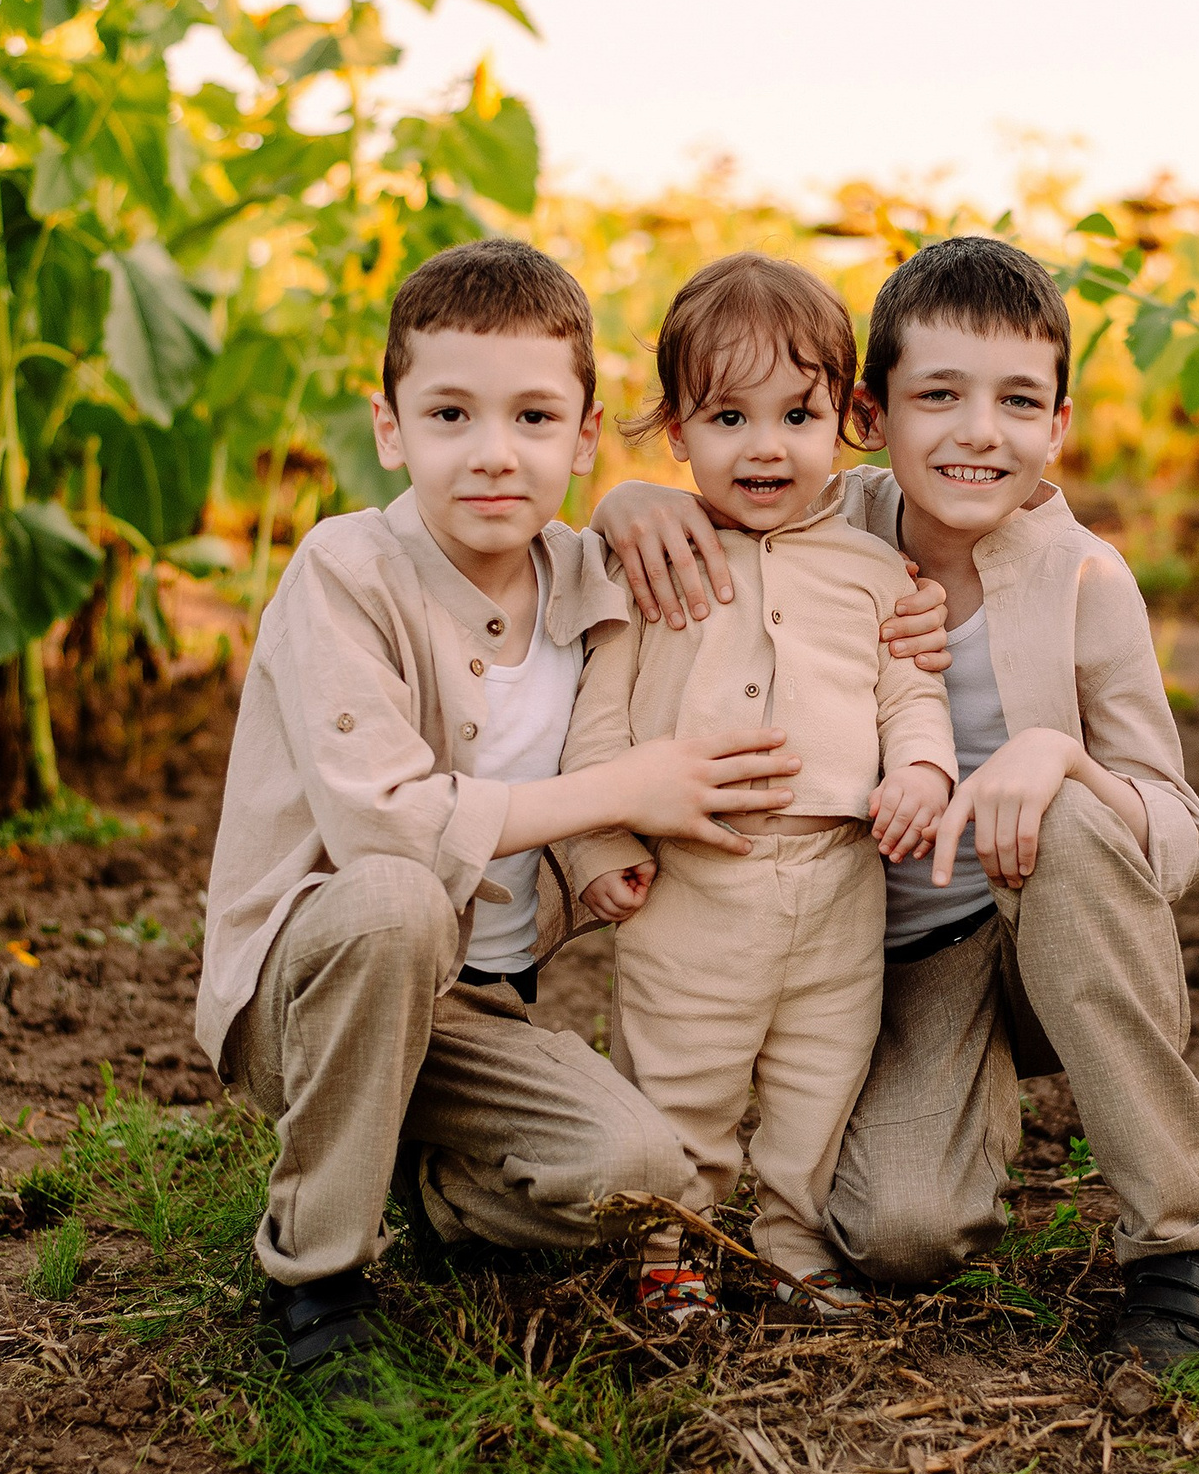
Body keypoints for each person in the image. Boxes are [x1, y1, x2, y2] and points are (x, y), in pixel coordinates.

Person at [193, 239, 950, 1381]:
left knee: (641, 1173)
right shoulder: (341, 571)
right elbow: (389, 825)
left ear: (585, 433)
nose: (494, 454)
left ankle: (439, 1182)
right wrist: (622, 797)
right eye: (449, 416)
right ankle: (319, 1277)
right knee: (397, 900)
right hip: (323, 980)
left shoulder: (594, 570)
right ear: (388, 428)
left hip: (479, 1011)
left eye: (535, 419)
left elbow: (734, 537)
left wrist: (649, 495)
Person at [590, 236, 1199, 1372]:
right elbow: (719, 469)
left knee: (1076, 810)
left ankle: (1183, 1244)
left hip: (1057, 916)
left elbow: (1180, 828)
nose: (976, 431)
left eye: (1016, 400)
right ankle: (921, 1125)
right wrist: (629, 502)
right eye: (937, 394)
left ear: (1059, 422)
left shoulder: (1086, 578)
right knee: (900, 1229)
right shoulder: (820, 517)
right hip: (895, 953)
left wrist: (1056, 756)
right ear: (869, 409)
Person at [559, 255, 957, 1329]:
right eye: (728, 416)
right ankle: (676, 1244)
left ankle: (787, 1237)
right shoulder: (655, 564)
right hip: (694, 875)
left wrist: (920, 767)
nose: (765, 444)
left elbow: (909, 691)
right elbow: (597, 718)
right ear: (678, 433)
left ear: (844, 420)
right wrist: (594, 849)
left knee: (815, 1072)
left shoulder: (874, 570)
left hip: (837, 879)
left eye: (797, 413)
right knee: (681, 1071)